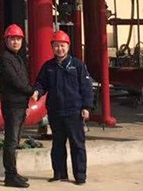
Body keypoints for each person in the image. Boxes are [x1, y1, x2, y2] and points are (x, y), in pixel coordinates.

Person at [32, 30, 94, 186]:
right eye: (56, 46)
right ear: (52, 47)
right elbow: (41, 83)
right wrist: (37, 92)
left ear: (68, 46)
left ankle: (80, 176)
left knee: (77, 145)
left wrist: (86, 107)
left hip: (74, 112)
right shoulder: (48, 67)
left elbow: (86, 87)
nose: (59, 49)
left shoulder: (77, 65)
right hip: (55, 112)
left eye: (62, 45)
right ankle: (59, 173)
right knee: (58, 145)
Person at [0, 24, 34, 188]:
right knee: (11, 141)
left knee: (16, 140)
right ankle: (10, 176)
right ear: (6, 40)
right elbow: (15, 81)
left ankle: (14, 172)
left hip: (20, 105)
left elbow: (22, 78)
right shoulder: (5, 58)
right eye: (12, 39)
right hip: (12, 105)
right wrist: (31, 91)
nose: (16, 42)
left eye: (18, 39)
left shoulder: (17, 58)